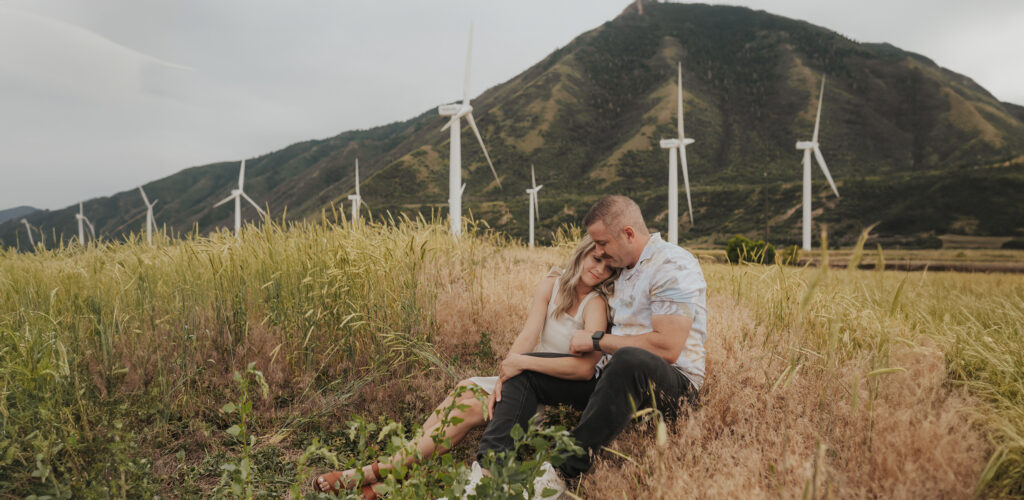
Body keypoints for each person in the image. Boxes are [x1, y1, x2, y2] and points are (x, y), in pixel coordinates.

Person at [312, 235, 621, 498]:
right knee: (464, 389)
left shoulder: (595, 305)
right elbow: (528, 336)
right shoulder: (552, 285)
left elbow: (583, 370)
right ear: (582, 253)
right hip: (523, 375)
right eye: (596, 259)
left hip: (545, 387)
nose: (600, 270)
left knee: (469, 410)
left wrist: (518, 365)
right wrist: (504, 377)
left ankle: (370, 474)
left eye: (609, 267)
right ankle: (392, 479)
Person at [477, 194, 708, 481]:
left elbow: (667, 347)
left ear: (628, 233)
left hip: (671, 386)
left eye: (602, 243)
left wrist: (596, 340)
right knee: (527, 368)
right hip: (612, 380)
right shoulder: (621, 270)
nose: (598, 251)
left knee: (628, 360)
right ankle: (487, 473)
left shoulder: (672, 264)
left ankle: (560, 475)